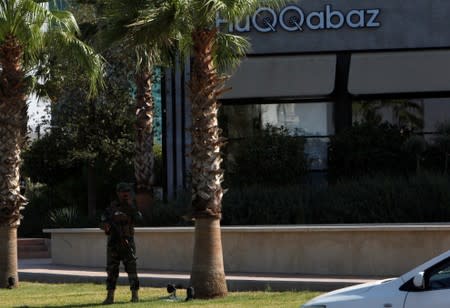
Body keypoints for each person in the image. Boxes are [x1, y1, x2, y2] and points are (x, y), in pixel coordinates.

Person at [100, 182, 142, 304]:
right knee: (112, 271)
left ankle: (135, 295)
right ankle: (110, 296)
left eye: (127, 191)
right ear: (118, 193)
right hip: (113, 243)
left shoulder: (132, 207)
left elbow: (140, 219)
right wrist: (105, 226)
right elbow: (102, 221)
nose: (125, 193)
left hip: (127, 242)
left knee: (132, 269)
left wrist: (131, 208)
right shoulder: (111, 208)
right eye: (123, 191)